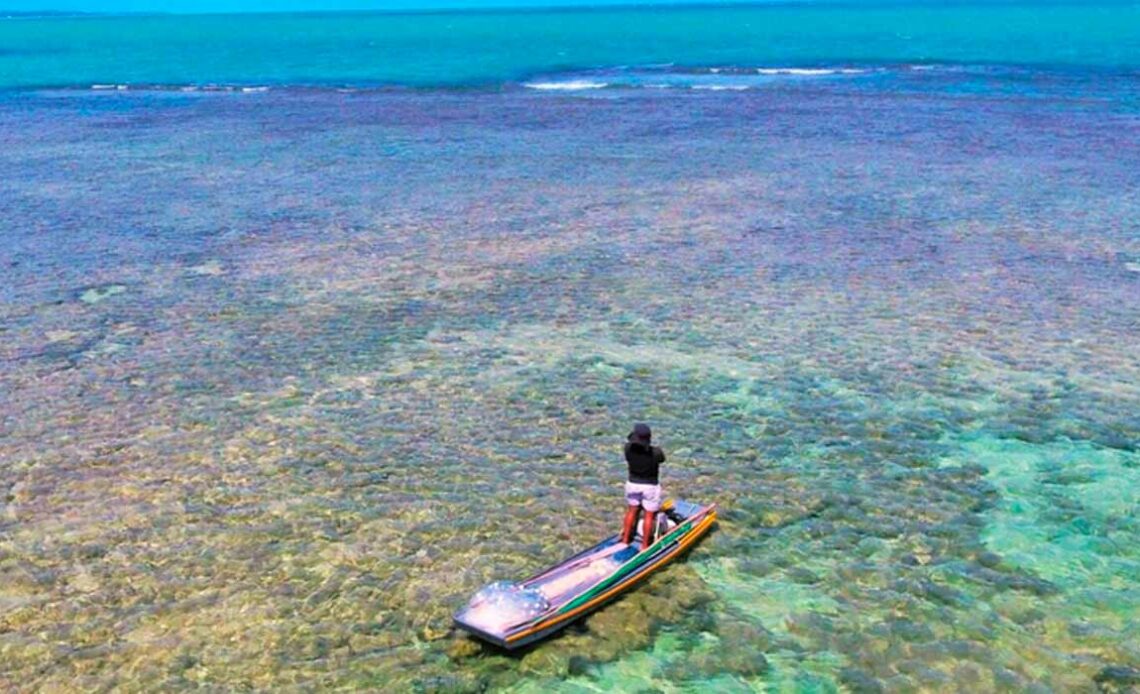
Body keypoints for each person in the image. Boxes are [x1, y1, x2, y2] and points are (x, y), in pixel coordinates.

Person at [620, 422, 666, 550]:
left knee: (631, 511)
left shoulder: (627, 449)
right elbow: (662, 459)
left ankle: (625, 540)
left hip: (632, 484)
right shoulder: (655, 452)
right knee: (649, 516)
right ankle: (645, 545)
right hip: (650, 486)